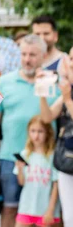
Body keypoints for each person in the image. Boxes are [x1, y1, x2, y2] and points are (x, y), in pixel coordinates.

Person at [0, 34, 59, 227]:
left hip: (45, 159)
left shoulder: (54, 84)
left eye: (33, 55)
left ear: (43, 56)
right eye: (24, 54)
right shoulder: (5, 82)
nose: (27, 59)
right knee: (10, 208)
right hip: (11, 156)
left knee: (44, 212)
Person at [38, 48, 73, 227]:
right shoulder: (69, 90)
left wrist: (67, 99)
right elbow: (47, 117)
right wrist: (42, 95)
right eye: (72, 58)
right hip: (67, 159)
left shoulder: (68, 94)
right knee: (69, 218)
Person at [14, 116, 60, 227]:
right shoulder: (25, 154)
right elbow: (21, 182)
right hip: (26, 207)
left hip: (45, 209)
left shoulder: (52, 156)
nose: (36, 135)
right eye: (33, 131)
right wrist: (20, 169)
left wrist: (51, 210)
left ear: (47, 133)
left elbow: (56, 184)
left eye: (40, 131)